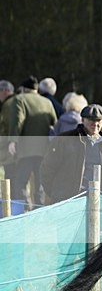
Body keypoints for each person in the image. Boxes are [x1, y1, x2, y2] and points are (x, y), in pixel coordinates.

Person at [41, 104, 102, 203]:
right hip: (67, 201)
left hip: (96, 201)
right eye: (91, 120)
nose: (95, 124)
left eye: (99, 121)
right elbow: (47, 168)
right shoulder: (64, 140)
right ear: (83, 120)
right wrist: (54, 194)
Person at [7, 76, 57, 208]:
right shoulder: (47, 102)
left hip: (26, 150)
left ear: (23, 89)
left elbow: (18, 121)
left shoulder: (19, 99)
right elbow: (54, 124)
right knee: (40, 184)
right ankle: (39, 210)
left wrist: (13, 141)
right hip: (44, 150)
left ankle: (23, 210)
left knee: (20, 182)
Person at [0, 80, 15, 181]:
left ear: (5, 92)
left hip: (9, 146)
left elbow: (4, 127)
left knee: (9, 176)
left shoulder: (8, 105)